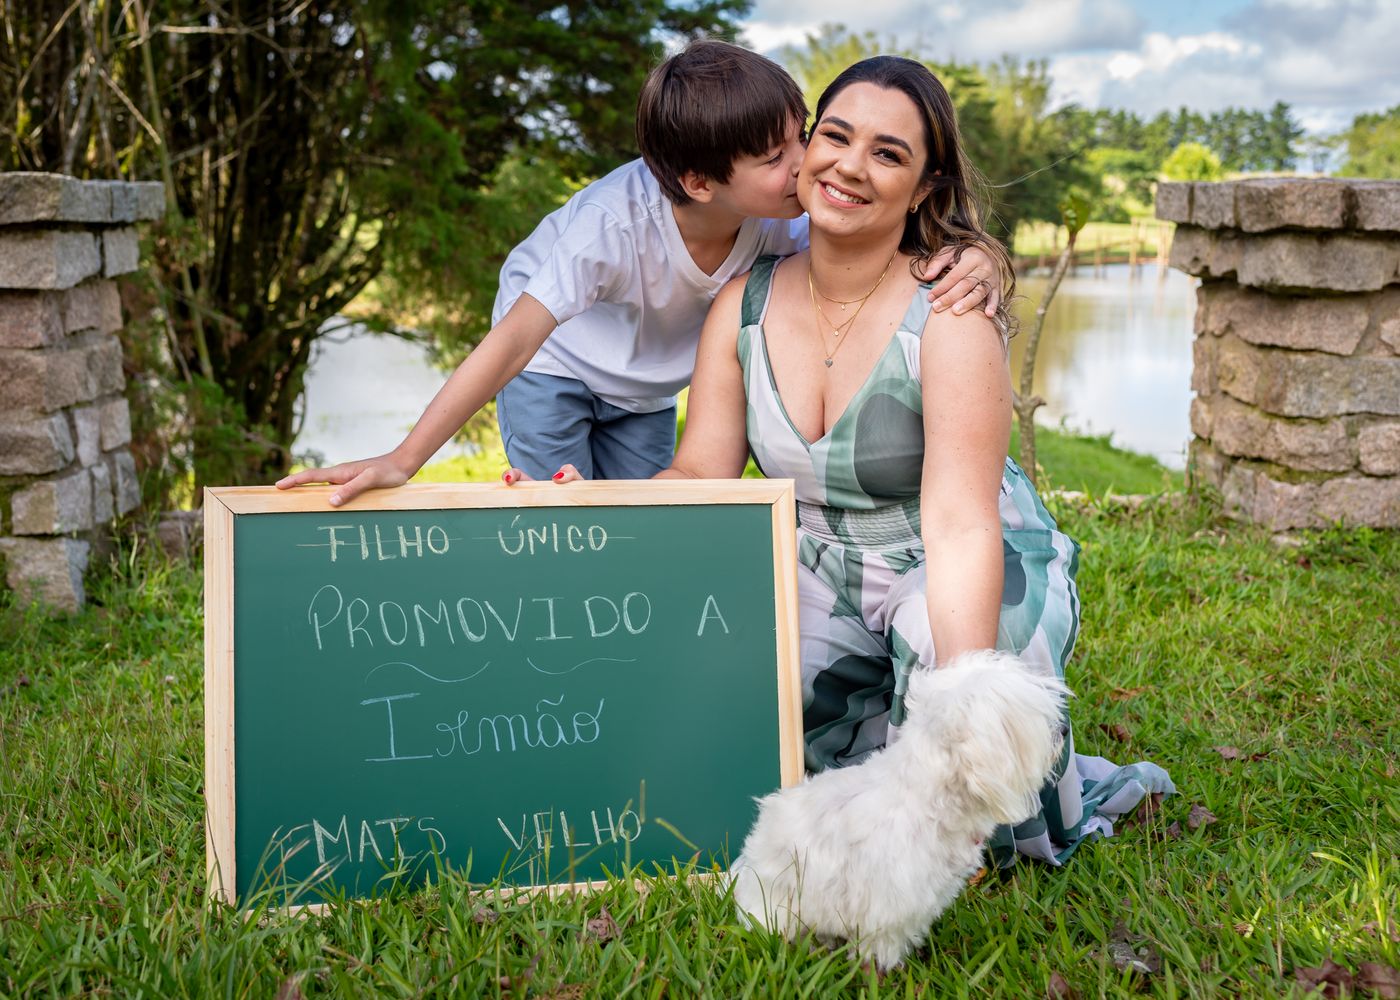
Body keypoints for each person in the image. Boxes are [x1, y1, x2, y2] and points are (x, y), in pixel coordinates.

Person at [525, 55, 1172, 867]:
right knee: (743, 732)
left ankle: (970, 755)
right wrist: (595, 504)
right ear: (804, 148)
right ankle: (874, 728)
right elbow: (698, 475)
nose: (850, 166)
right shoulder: (741, 304)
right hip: (813, 554)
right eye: (835, 136)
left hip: (946, 544)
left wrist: (961, 703)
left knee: (960, 699)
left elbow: (960, 523)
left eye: (888, 153)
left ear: (926, 187)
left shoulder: (950, 310)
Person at [276, 40, 1003, 503]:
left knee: (645, 517)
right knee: (559, 515)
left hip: (648, 387)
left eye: (801, 137)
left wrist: (978, 255)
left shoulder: (785, 213)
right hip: (555, 365)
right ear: (699, 182)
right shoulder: (611, 226)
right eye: (775, 157)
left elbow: (892, 232)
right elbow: (513, 342)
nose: (805, 164)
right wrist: (405, 458)